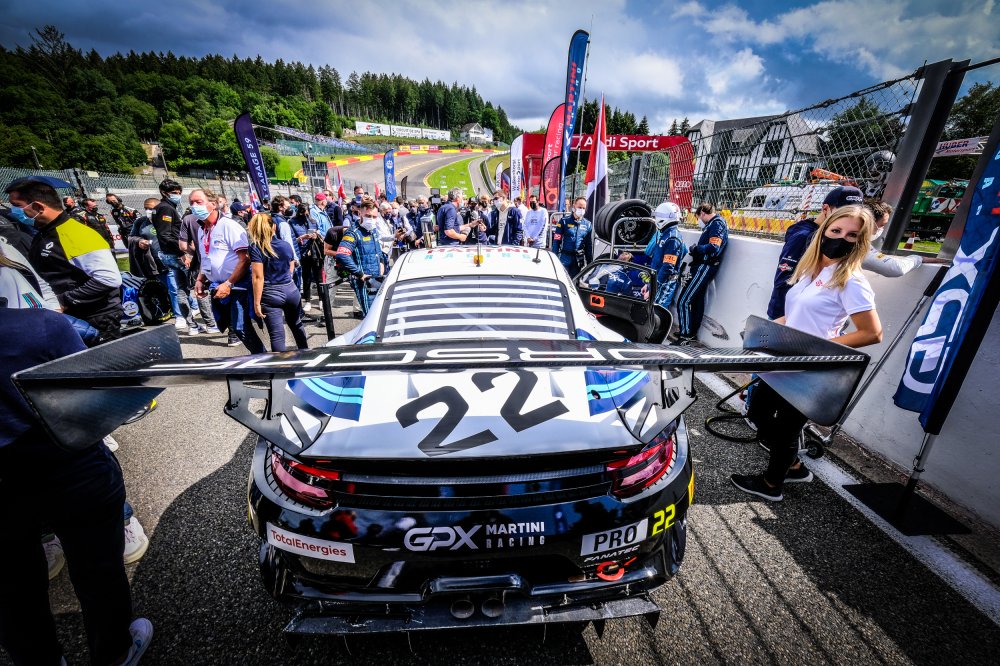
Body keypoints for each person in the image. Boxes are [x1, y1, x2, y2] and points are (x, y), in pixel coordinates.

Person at [0, 306, 153, 666]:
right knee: (99, 571)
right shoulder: (41, 326)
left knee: (11, 588)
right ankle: (115, 654)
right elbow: (95, 400)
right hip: (72, 473)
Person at [731, 205, 882, 501]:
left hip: (812, 368)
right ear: (823, 231)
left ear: (860, 241)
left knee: (786, 429)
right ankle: (794, 466)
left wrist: (819, 347)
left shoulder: (851, 280)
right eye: (836, 231)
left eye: (852, 235)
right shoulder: (812, 271)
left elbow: (872, 333)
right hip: (785, 361)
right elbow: (795, 315)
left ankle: (772, 484)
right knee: (758, 412)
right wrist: (760, 330)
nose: (841, 238)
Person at [5, 177, 123, 344]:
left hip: (95, 319)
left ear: (38, 207)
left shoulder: (76, 234)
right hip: (68, 317)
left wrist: (62, 301)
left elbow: (109, 279)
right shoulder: (43, 234)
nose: (13, 211)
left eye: (17, 206)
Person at [767, 186, 863, 320]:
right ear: (825, 209)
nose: (848, 217)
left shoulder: (833, 237)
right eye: (842, 212)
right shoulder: (804, 236)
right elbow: (784, 279)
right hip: (787, 316)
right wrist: (786, 319)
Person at [191, 189, 264, 354]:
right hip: (219, 286)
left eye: (198, 202)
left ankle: (264, 359)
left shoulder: (228, 225)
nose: (194, 206)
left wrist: (229, 283)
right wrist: (200, 279)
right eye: (191, 203)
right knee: (236, 327)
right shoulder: (202, 229)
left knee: (240, 327)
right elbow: (206, 257)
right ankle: (261, 357)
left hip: (238, 285)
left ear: (213, 204)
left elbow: (245, 258)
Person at [248, 213, 309, 352]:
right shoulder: (285, 244)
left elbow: (258, 277)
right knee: (296, 324)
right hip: (291, 290)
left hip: (270, 294)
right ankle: (306, 354)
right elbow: (292, 263)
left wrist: (256, 303)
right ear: (274, 227)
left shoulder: (256, 248)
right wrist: (288, 277)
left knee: (277, 335)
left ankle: (280, 364)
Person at [150, 178, 200, 333]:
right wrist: (182, 252)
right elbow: (165, 235)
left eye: (179, 192)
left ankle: (192, 325)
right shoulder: (165, 208)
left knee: (181, 289)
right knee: (198, 286)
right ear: (164, 193)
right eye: (174, 192)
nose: (177, 195)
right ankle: (209, 324)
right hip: (176, 254)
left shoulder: (163, 207)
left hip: (170, 254)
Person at [675, 203, 729, 344]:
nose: (699, 221)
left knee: (683, 301)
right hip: (702, 266)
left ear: (703, 213)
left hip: (704, 267)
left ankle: (685, 336)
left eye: (698, 217)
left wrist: (696, 249)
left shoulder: (716, 224)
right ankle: (690, 333)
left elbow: (714, 247)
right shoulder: (713, 224)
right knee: (697, 301)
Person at [336, 196, 387, 316]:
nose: (371, 219)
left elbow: (378, 251)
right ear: (360, 214)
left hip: (377, 278)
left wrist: (381, 263)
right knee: (370, 315)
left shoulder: (373, 231)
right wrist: (359, 274)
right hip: (364, 281)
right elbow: (342, 255)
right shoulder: (353, 233)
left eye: (374, 217)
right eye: (368, 216)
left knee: (380, 313)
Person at [646, 201, 687, 309]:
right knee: (651, 310)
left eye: (658, 216)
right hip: (657, 279)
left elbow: (668, 267)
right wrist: (649, 284)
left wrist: (654, 286)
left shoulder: (672, 238)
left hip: (664, 282)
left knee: (658, 311)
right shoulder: (667, 234)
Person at [288, 202, 324, 311]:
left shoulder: (313, 221)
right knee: (306, 277)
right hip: (302, 252)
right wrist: (301, 238)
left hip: (314, 251)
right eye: (302, 213)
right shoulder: (292, 222)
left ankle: (321, 299)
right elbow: (290, 239)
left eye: (306, 213)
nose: (304, 215)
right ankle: (308, 301)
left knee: (319, 277)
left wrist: (316, 235)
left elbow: (320, 234)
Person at [551, 196, 593, 278]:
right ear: (574, 206)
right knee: (562, 279)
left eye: (583, 208)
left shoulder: (588, 224)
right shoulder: (564, 221)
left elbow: (588, 245)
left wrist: (589, 263)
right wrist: (554, 258)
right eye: (579, 207)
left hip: (578, 260)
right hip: (565, 258)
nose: (581, 210)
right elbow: (556, 241)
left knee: (575, 282)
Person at [126, 198, 164, 280]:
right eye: (146, 208)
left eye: (151, 209)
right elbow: (131, 237)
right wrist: (139, 241)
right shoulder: (140, 222)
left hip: (168, 263)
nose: (148, 211)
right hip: (150, 264)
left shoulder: (168, 220)